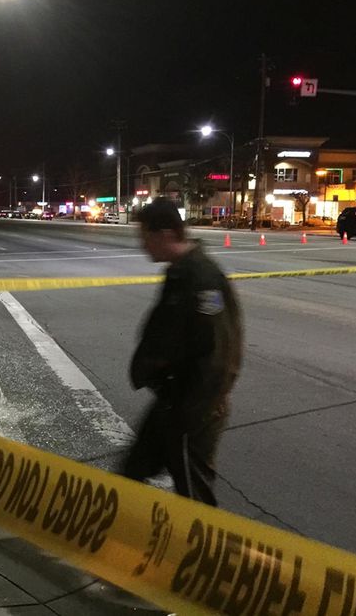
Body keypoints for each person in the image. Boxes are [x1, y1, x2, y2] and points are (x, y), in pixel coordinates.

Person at [123, 198, 242, 506]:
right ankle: (120, 538)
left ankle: (201, 553)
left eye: (144, 238)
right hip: (172, 398)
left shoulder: (201, 278)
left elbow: (219, 351)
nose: (142, 246)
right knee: (132, 472)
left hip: (193, 406)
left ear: (163, 234)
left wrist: (195, 411)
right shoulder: (180, 273)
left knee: (193, 495)